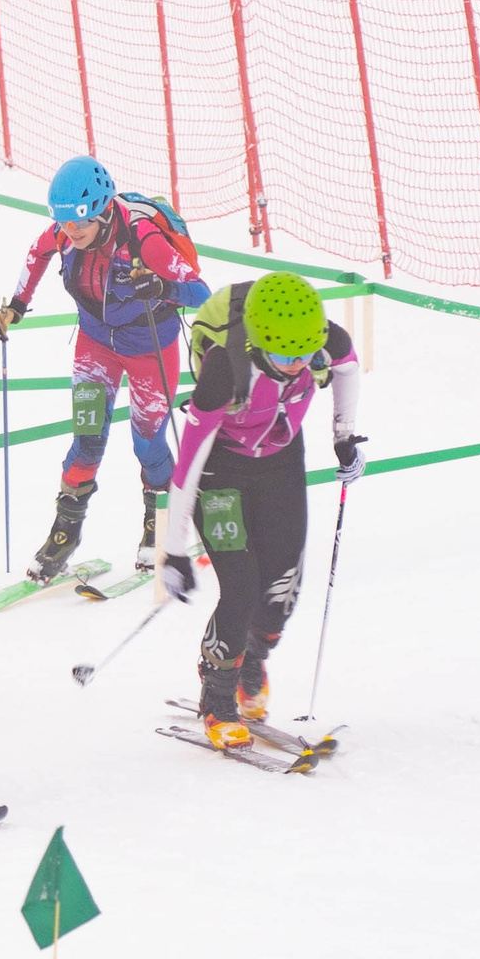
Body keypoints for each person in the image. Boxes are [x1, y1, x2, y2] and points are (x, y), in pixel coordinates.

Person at [159, 272, 365, 748]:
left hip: (280, 462)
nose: (297, 366)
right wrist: (175, 550)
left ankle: (251, 658)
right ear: (258, 342)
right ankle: (218, 696)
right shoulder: (223, 372)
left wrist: (345, 436)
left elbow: (349, 368)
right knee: (241, 587)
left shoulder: (322, 340)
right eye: (284, 357)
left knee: (282, 587)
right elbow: (187, 466)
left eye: (304, 355)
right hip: (220, 471)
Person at [0, 156, 210, 582]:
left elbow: (201, 292)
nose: (69, 233)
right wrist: (16, 305)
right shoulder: (65, 232)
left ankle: (159, 527)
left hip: (149, 349)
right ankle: (65, 534)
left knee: (148, 447)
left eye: (79, 224)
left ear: (104, 211)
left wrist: (163, 287)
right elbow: (37, 252)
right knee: (87, 440)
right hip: (96, 345)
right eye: (64, 224)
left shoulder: (144, 239)